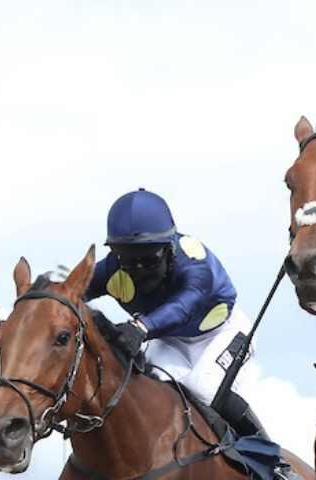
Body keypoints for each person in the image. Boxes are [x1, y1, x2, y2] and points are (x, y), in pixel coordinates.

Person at [79, 189, 293, 475]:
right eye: (128, 261)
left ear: (169, 249)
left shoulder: (195, 265)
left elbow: (181, 308)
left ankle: (275, 466)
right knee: (147, 393)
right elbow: (70, 292)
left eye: (149, 260)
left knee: (204, 388)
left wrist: (140, 328)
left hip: (221, 335)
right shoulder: (111, 269)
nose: (139, 270)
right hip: (168, 340)